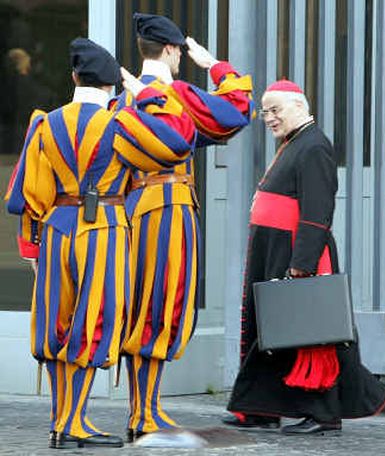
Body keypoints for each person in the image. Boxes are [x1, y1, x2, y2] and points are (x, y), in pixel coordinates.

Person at [5, 37, 195, 449]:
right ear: (113, 84)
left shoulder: (45, 122)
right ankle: (74, 423)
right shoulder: (121, 123)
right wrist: (145, 95)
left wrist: (32, 250)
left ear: (74, 77)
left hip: (56, 227)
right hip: (104, 227)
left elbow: (25, 197)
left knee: (57, 322)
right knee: (94, 322)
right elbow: (178, 140)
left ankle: (61, 423)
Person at [110, 13, 255, 441]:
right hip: (168, 208)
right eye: (180, 52)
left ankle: (144, 410)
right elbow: (236, 110)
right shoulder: (176, 93)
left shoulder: (124, 98)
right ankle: (146, 413)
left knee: (139, 306)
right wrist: (214, 64)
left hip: (131, 209)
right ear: (172, 50)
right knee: (161, 306)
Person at [224, 79, 385, 434]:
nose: (269, 117)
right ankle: (261, 408)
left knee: (312, 337)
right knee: (270, 333)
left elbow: (317, 211)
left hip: (298, 253)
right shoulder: (294, 142)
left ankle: (324, 414)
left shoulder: (314, 146)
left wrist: (302, 263)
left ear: (299, 105)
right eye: (265, 111)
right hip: (274, 249)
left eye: (275, 109)